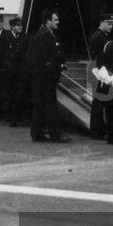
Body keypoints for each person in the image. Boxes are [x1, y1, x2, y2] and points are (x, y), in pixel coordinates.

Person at [28, 9, 69, 143]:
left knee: (40, 106)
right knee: (50, 107)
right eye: (55, 20)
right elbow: (45, 58)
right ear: (48, 21)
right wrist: (59, 65)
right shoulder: (46, 35)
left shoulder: (42, 34)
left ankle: (37, 133)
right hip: (46, 77)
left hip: (40, 77)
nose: (58, 22)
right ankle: (55, 134)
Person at [88, 13, 113, 139]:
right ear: (102, 22)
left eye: (112, 24)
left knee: (101, 100)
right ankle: (96, 130)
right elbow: (99, 56)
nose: (111, 26)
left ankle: (99, 129)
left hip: (102, 70)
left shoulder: (102, 35)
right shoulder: (98, 36)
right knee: (99, 101)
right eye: (109, 24)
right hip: (100, 71)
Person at [2, 17, 30, 126]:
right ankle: (9, 116)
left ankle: (17, 117)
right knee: (9, 94)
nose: (20, 28)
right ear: (12, 27)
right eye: (18, 26)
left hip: (20, 72)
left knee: (20, 94)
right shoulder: (5, 37)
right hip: (9, 72)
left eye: (21, 26)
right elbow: (1, 54)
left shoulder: (25, 37)